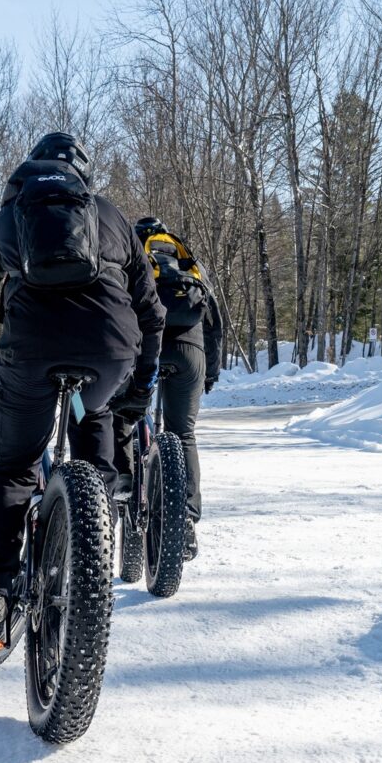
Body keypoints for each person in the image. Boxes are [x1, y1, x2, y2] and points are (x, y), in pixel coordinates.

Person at [0, 132, 165, 649]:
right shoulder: (110, 214)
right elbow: (150, 309)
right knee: (94, 414)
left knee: (15, 468)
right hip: (109, 352)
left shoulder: (15, 215)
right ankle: (92, 551)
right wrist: (141, 380)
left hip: (31, 355)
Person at [114, 216, 222, 559]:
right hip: (191, 353)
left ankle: (125, 486)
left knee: (124, 417)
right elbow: (213, 323)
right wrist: (209, 373)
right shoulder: (189, 263)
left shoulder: (130, 259)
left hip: (144, 349)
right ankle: (187, 522)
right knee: (183, 433)